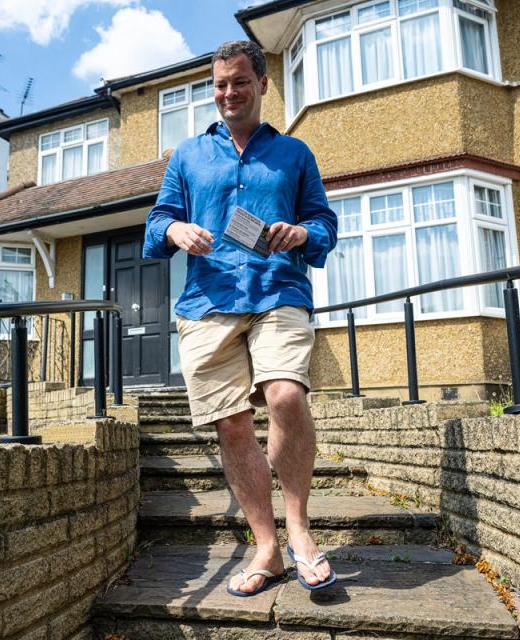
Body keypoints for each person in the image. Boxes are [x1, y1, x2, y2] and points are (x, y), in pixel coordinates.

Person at [143, 40, 338, 596]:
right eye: (220, 84)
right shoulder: (186, 156)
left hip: (278, 290)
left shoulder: (295, 154)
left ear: (263, 85)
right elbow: (157, 225)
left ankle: (298, 529)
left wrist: (303, 233)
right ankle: (267, 547)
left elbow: (324, 224)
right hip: (207, 302)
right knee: (231, 424)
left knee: (284, 396)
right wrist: (175, 230)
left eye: (239, 82)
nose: (228, 93)